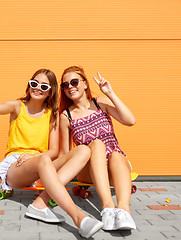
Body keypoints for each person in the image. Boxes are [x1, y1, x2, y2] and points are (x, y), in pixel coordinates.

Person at [0, 68, 103, 238]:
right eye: (34, 83)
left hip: (41, 163)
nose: (38, 88)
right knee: (43, 161)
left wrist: (35, 157)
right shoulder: (17, 106)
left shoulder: (52, 114)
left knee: (84, 150)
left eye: (44, 86)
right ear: (29, 85)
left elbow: (54, 150)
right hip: (16, 166)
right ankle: (79, 218)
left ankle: (39, 205)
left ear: (50, 91)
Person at [59, 66, 137, 231]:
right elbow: (65, 154)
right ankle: (107, 208)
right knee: (97, 144)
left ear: (85, 84)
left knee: (116, 154)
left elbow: (130, 121)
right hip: (88, 171)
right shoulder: (66, 116)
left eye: (74, 82)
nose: (70, 87)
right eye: (65, 85)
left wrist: (110, 93)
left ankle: (124, 211)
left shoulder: (101, 102)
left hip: (114, 167)